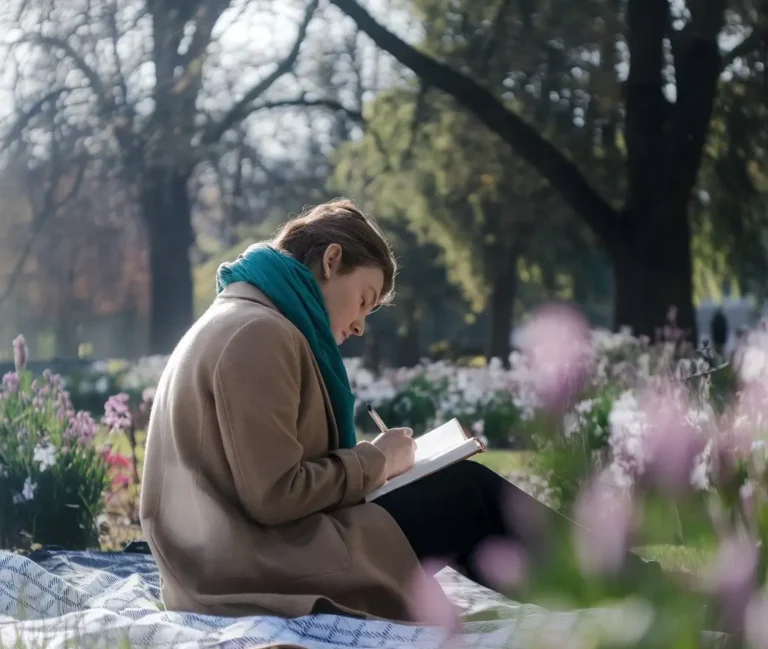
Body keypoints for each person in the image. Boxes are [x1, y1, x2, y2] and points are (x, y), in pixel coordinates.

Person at [138, 200, 629, 623]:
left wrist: (379, 469)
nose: (359, 326)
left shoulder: (252, 317)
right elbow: (275, 495)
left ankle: (612, 585)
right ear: (332, 261)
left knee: (461, 495)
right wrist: (377, 462)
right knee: (467, 494)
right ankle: (625, 591)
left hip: (238, 554)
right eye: (364, 300)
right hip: (246, 566)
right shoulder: (259, 334)